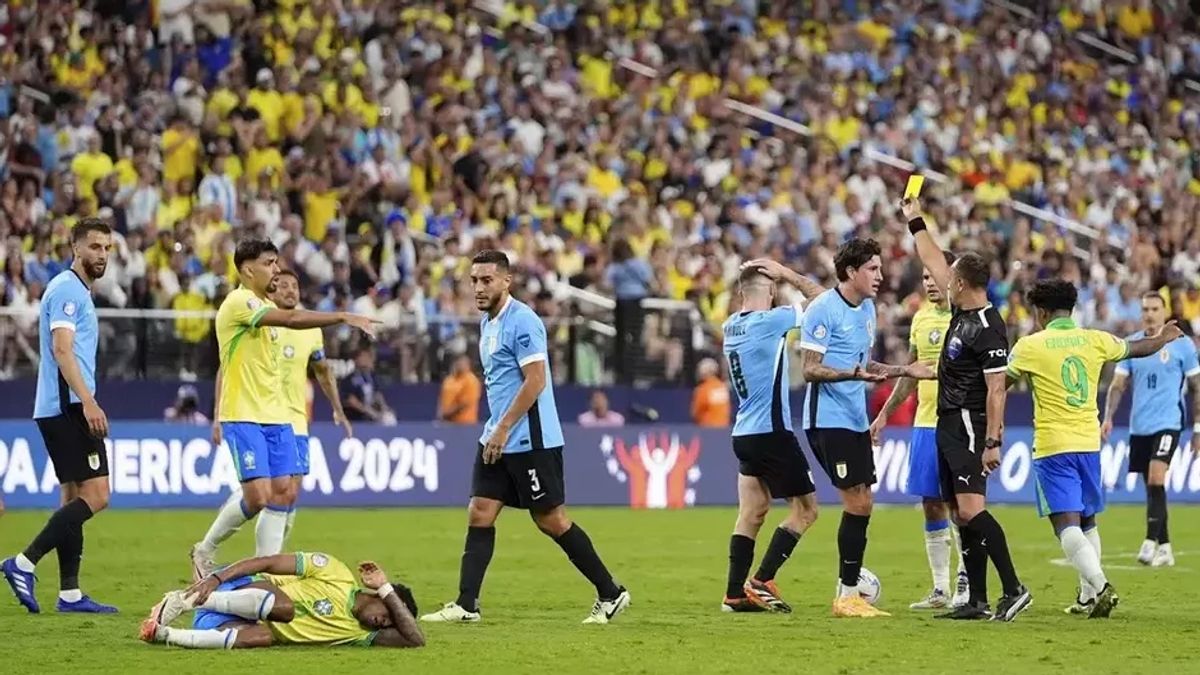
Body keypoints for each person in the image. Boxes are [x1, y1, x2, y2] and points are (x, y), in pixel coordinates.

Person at [420, 250, 629, 625]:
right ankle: (467, 604)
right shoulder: (488, 323)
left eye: (486, 280)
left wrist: (501, 428)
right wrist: (495, 430)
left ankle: (611, 593)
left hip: (530, 439)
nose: (479, 288)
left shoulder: (524, 322)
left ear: (506, 281)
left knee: (551, 520)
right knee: (480, 512)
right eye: (474, 280)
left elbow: (536, 381)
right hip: (497, 436)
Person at [189, 239, 378, 580]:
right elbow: (290, 320)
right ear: (248, 270)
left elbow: (316, 367)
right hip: (244, 414)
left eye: (277, 263)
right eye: (269, 263)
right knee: (259, 496)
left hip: (280, 417)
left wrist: (334, 408)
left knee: (283, 493)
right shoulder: (240, 302)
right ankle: (205, 550)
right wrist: (341, 315)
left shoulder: (263, 305)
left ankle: (267, 570)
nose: (276, 269)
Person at [1008, 279, 1184, 618]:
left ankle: (1101, 587)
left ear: (1042, 312)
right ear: (1070, 309)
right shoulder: (1095, 339)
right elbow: (1137, 348)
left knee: (1066, 524)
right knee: (1088, 521)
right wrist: (1162, 338)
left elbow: (999, 381)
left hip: (1052, 446)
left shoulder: (1030, 345)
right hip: (1089, 444)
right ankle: (1087, 596)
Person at [905, 198, 1030, 621]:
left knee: (972, 509)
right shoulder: (961, 308)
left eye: (951, 277)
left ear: (963, 284)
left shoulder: (990, 327)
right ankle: (975, 600)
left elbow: (998, 389)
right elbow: (931, 255)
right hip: (947, 422)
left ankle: (1013, 588)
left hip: (970, 424)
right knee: (960, 513)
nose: (944, 278)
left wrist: (993, 441)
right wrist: (915, 219)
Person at [799, 237, 933, 618]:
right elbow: (810, 369)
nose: (880, 275)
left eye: (879, 267)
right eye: (872, 269)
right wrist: (852, 374)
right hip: (826, 420)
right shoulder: (823, 309)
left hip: (854, 418)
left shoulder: (867, 309)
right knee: (857, 502)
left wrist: (904, 371)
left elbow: (868, 364)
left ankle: (849, 590)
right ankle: (845, 596)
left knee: (864, 502)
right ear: (851, 272)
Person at [2, 218, 118, 614]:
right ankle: (22, 562)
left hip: (57, 406)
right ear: (75, 248)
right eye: (94, 247)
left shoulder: (76, 291)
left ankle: (69, 593)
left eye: (106, 248)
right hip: (68, 406)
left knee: (71, 497)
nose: (101, 254)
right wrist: (88, 401)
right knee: (98, 496)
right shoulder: (68, 289)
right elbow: (62, 349)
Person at [718, 260, 825, 613]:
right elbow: (824, 301)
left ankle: (734, 594)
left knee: (751, 512)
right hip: (772, 432)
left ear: (739, 293)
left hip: (744, 433)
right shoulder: (772, 321)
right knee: (807, 511)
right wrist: (789, 273)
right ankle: (762, 579)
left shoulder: (731, 325)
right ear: (774, 291)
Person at [871, 252, 970, 610]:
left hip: (958, 424)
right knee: (931, 505)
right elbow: (910, 376)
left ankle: (967, 580)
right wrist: (883, 415)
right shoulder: (921, 319)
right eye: (925, 277)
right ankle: (941, 589)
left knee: (960, 506)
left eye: (934, 275)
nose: (928, 282)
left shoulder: (969, 318)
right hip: (925, 424)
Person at [139, 553, 424, 649]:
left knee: (264, 636)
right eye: (387, 613)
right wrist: (216, 578)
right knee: (285, 609)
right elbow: (269, 561)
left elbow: (416, 640)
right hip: (236, 590)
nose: (383, 623)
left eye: (389, 623)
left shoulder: (359, 635)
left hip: (224, 625)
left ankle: (163, 633)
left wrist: (387, 589)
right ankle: (189, 599)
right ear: (375, 597)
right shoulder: (335, 571)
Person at [1102, 292, 1200, 568]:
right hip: (1139, 426)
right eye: (1145, 308)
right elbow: (1119, 384)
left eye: (1155, 308)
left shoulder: (1183, 345)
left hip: (1169, 422)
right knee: (1152, 488)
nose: (1149, 313)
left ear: (1164, 310)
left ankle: (1148, 542)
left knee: (1157, 478)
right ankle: (1166, 547)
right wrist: (1108, 417)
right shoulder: (1133, 345)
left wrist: (1198, 429)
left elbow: (1196, 388)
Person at [438, 353, 482, 424]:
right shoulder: (449, 380)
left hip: (465, 424)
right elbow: (442, 399)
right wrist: (440, 416)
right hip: (447, 423)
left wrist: (446, 414)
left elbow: (465, 403)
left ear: (468, 365)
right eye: (458, 362)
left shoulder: (471, 380)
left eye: (463, 363)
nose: (460, 365)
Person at [691, 358, 731, 427]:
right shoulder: (722, 387)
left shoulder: (703, 389)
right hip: (724, 429)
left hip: (707, 429)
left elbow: (695, 413)